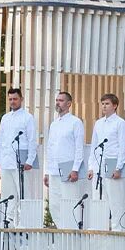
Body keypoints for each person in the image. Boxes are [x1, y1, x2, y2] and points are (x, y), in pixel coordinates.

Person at [0, 86, 39, 227]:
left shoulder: (28, 117)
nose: (12, 102)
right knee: (8, 193)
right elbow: (0, 141)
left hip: (21, 162)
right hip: (6, 162)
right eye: (10, 99)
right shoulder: (5, 118)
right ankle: (9, 220)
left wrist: (30, 160)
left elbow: (33, 140)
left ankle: (25, 223)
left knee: (24, 193)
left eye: (15, 99)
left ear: (21, 99)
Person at [86, 94, 125, 231]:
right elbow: (94, 146)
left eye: (107, 104)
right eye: (102, 104)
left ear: (115, 105)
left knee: (115, 199)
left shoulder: (120, 123)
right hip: (99, 164)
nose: (104, 106)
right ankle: (100, 227)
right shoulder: (98, 123)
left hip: (112, 162)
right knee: (98, 198)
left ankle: (117, 229)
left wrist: (118, 167)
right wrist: (91, 167)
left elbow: (123, 147)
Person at [43, 90, 87, 230]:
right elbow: (50, 148)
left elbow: (79, 148)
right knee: (54, 204)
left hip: (68, 168)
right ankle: (61, 230)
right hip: (54, 169)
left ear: (69, 104)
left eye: (61, 100)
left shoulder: (75, 122)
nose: (58, 103)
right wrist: (47, 172)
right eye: (57, 100)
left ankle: (71, 230)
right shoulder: (54, 124)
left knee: (69, 201)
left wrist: (75, 169)